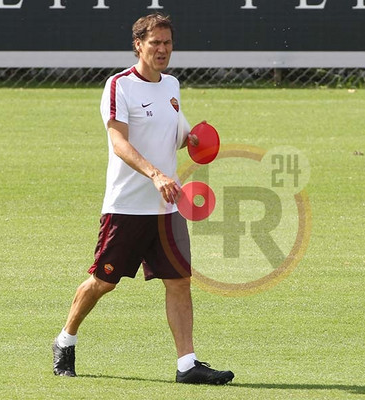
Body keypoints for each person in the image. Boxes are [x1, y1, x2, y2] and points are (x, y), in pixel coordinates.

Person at [52, 13, 234, 385]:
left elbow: (177, 133)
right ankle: (65, 340)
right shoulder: (119, 86)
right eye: (155, 43)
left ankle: (187, 365)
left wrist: (194, 140)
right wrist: (154, 173)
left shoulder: (171, 85)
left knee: (179, 281)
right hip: (127, 206)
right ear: (138, 45)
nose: (163, 49)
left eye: (167, 43)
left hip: (167, 206)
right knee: (103, 282)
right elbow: (119, 142)